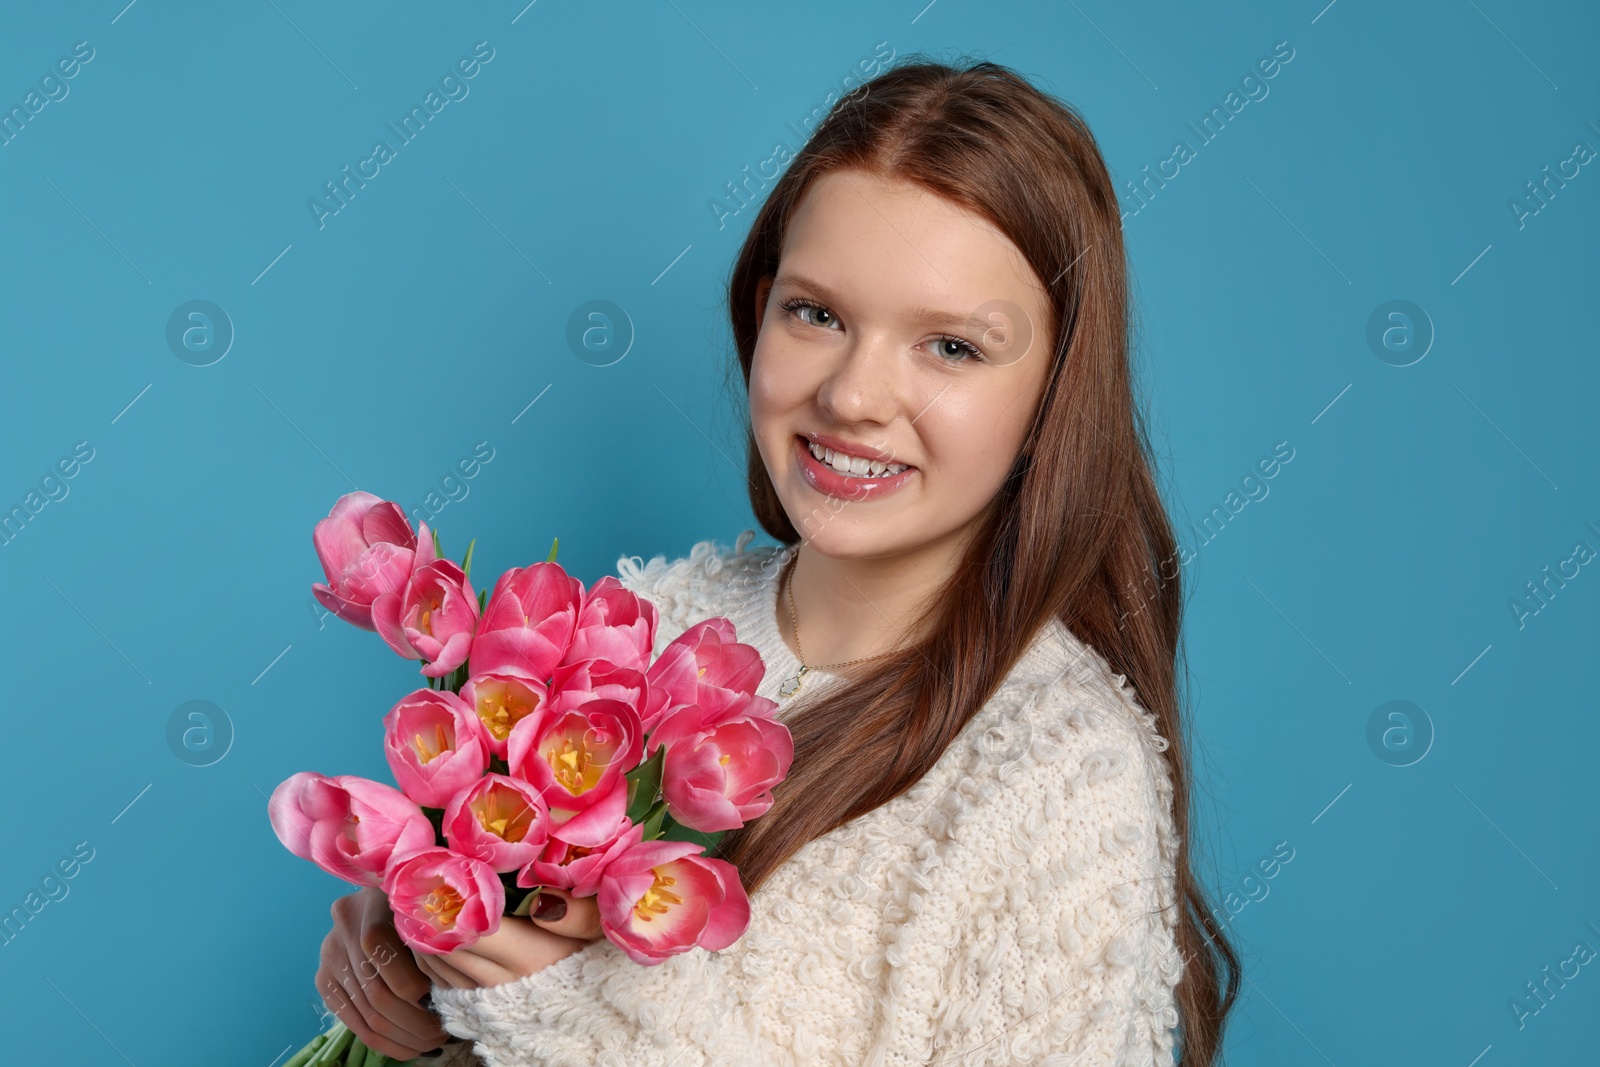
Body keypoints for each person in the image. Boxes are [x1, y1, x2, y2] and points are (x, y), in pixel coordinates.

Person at [316, 55, 1241, 1066]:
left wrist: (568, 1015)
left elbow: (570, 1028)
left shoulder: (1057, 775)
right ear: (758, 307)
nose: (852, 395)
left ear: (1051, 397)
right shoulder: (633, 627)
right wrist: (424, 1016)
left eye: (952, 348)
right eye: (817, 313)